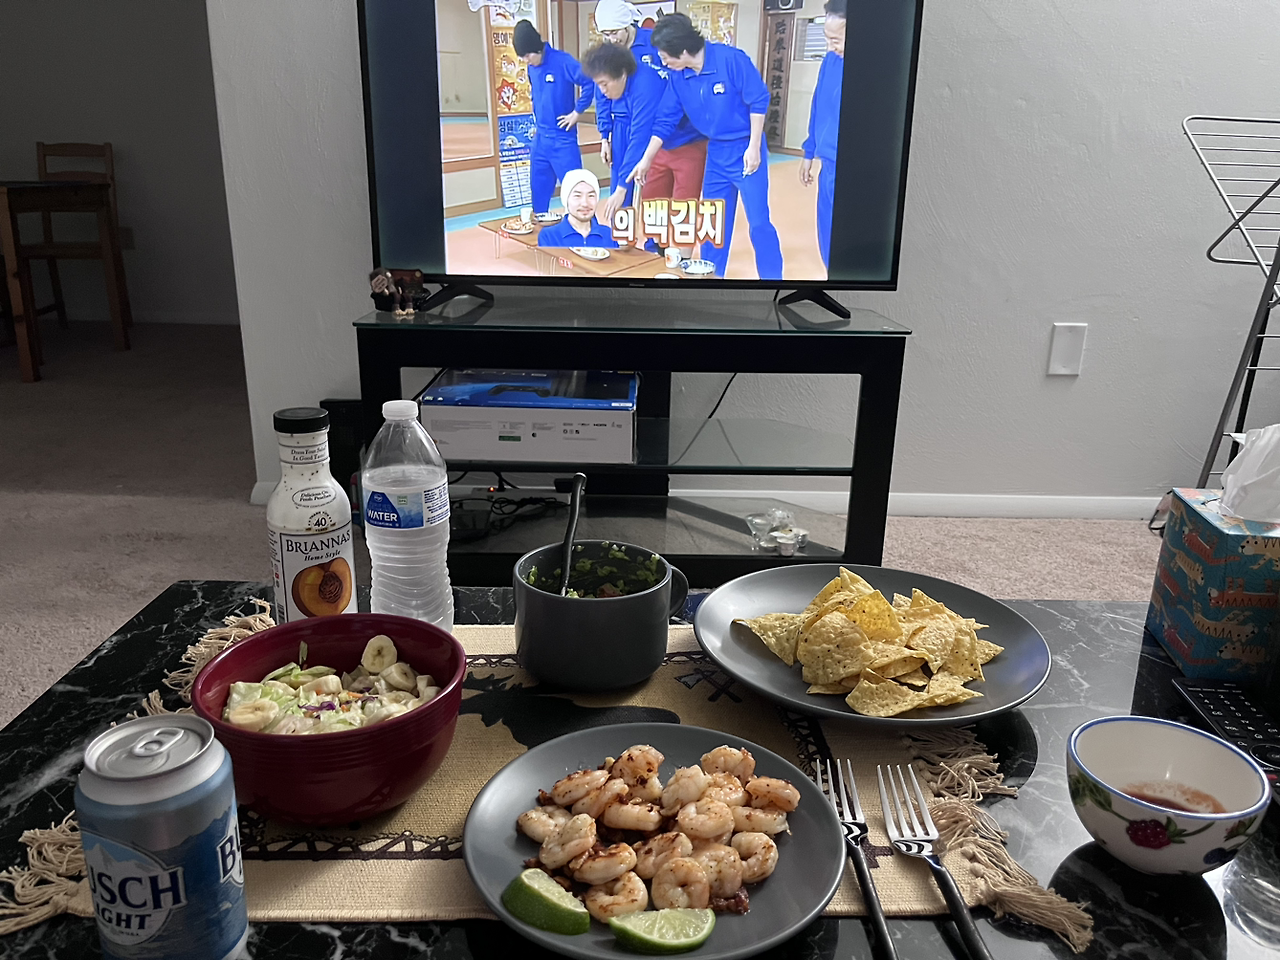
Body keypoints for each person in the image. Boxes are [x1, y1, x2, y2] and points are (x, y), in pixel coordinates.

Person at [631, 14, 783, 280]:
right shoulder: (679, 77)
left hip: (745, 148)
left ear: (683, 51)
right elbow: (665, 119)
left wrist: (754, 146)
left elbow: (758, 100)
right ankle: (713, 279)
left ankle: (773, 281)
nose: (663, 63)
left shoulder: (731, 60)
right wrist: (646, 160)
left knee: (758, 222)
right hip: (716, 153)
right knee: (714, 222)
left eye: (666, 57)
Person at [592, 0, 707, 208]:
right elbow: (601, 93)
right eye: (606, 34)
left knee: (654, 188)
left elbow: (676, 76)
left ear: (627, 25)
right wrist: (604, 135)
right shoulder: (609, 51)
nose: (611, 39)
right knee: (621, 185)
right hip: (622, 125)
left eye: (614, 32)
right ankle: (621, 228)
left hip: (655, 122)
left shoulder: (653, 43)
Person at [513, 21, 596, 215]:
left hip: (563, 138)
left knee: (576, 192)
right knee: (538, 194)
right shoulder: (532, 68)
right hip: (541, 139)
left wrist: (577, 112)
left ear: (536, 48)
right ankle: (539, 230)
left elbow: (589, 81)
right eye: (522, 57)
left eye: (527, 55)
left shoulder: (562, 61)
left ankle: (587, 230)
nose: (526, 60)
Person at [581, 42, 667, 225]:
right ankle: (620, 237)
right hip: (621, 128)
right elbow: (602, 103)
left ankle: (653, 242)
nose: (602, 91)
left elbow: (640, 136)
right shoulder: (608, 78)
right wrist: (605, 137)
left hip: (655, 136)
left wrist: (622, 187)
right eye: (599, 85)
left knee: (651, 197)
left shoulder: (647, 83)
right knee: (618, 201)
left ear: (622, 74)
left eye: (604, 85)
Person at [800, 0, 845, 271]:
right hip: (828, 165)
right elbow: (818, 105)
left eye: (836, 40)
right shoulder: (831, 60)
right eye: (827, 39)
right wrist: (809, 151)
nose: (830, 47)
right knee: (826, 239)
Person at [536, 169, 620, 248]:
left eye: (591, 196)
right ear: (565, 200)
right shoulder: (549, 236)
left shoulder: (609, 235)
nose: (585, 203)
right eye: (577, 196)